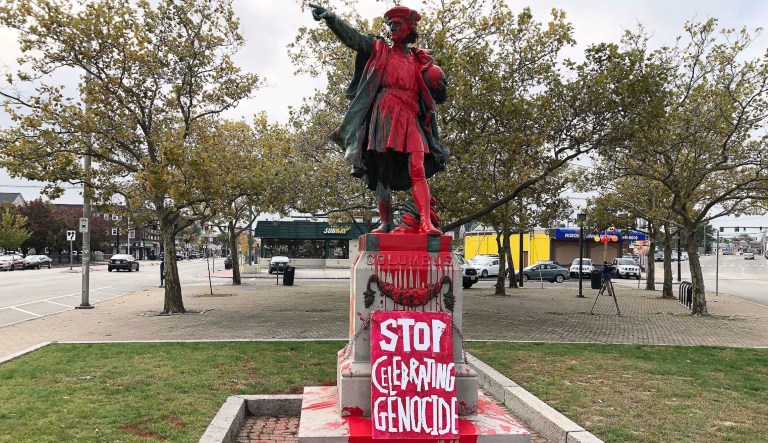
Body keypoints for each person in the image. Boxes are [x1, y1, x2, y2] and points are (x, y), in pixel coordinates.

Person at [309, 3, 449, 235]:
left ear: (410, 28)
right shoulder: (379, 49)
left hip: (410, 116)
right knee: (381, 172)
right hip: (384, 115)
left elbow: (437, 94)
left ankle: (426, 222)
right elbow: (353, 39)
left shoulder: (420, 60)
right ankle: (385, 223)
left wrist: (440, 85)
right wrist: (332, 20)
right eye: (390, 24)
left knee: (418, 166)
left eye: (397, 24)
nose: (392, 28)